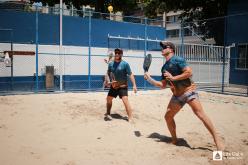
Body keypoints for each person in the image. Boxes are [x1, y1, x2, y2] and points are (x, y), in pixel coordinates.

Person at [144, 41, 224, 151]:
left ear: (171, 49)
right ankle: (175, 139)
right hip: (177, 96)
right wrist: (149, 79)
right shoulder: (164, 68)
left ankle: (217, 139)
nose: (162, 48)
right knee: (168, 117)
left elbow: (189, 73)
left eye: (164, 47)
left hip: (188, 91)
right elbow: (162, 85)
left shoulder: (178, 59)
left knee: (200, 114)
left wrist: (173, 78)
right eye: (161, 47)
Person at [105, 48, 137, 123]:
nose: (117, 54)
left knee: (125, 100)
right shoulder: (110, 64)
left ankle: (130, 117)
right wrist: (109, 81)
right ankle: (108, 113)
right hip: (114, 86)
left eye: (119, 53)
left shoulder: (125, 64)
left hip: (122, 86)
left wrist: (134, 85)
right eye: (116, 52)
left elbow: (131, 74)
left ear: (121, 54)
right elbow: (108, 73)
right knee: (108, 99)